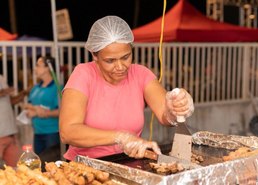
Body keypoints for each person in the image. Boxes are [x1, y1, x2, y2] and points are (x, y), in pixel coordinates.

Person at [59, 16, 194, 161]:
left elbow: (165, 114)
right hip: (84, 167)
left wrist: (175, 108)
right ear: (95, 55)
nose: (120, 67)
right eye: (110, 61)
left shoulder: (140, 74)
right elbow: (68, 132)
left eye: (125, 57)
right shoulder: (83, 74)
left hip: (128, 162)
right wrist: (121, 137)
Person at [22, 56, 62, 155]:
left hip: (52, 132)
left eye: (38, 65)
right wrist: (36, 110)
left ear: (47, 68)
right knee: (39, 163)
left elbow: (62, 111)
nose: (35, 68)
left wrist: (45, 113)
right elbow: (26, 105)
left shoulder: (57, 87)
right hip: (37, 132)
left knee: (51, 164)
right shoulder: (36, 88)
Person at [0, 75, 28, 167]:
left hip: (9, 132)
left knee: (17, 167)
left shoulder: (1, 77)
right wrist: (3, 92)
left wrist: (23, 94)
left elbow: (9, 101)